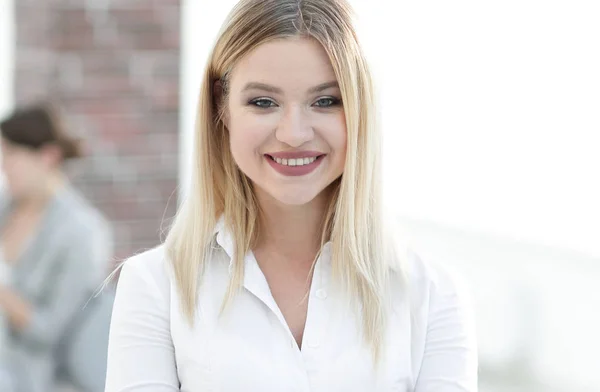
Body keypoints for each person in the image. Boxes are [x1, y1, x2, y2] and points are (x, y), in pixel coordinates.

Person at [105, 0, 478, 390]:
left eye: (326, 101)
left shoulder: (432, 295)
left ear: (360, 108)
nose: (294, 133)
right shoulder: (155, 288)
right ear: (222, 106)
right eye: (263, 102)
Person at [0, 103, 113, 392]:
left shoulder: (82, 232)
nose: (4, 167)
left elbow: (51, 331)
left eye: (11, 155)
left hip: (28, 377)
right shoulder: (5, 207)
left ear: (48, 157)